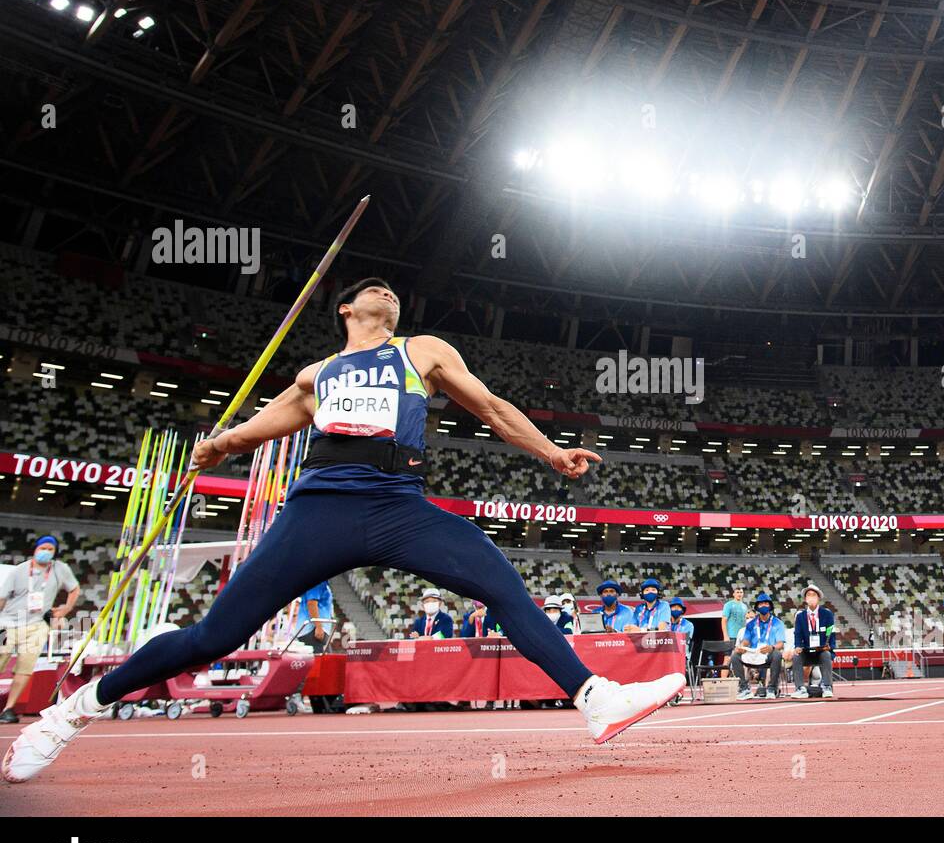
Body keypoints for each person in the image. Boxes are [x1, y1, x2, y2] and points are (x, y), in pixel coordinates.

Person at [5, 277, 683, 782]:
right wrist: (219, 446)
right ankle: (71, 711)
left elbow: (494, 407)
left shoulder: (422, 351)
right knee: (213, 635)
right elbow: (266, 421)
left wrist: (551, 452)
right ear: (347, 310)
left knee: (503, 587)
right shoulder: (318, 374)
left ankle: (595, 698)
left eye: (392, 291)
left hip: (399, 504)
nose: (387, 291)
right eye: (372, 289)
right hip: (320, 509)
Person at [0, 536, 80, 724]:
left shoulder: (60, 569)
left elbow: (74, 589)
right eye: (43, 547)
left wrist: (66, 609)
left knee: (25, 667)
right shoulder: (19, 571)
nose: (46, 551)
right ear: (35, 549)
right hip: (9, 622)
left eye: (50, 549)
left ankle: (8, 708)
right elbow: (2, 598)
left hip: (37, 625)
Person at [730, 592, 785, 700]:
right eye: (761, 604)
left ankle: (771, 688)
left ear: (770, 606)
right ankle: (744, 688)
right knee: (735, 656)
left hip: (768, 653)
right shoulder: (751, 624)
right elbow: (746, 640)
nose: (764, 606)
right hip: (754, 653)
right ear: (757, 607)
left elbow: (780, 643)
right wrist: (742, 647)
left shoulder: (777, 623)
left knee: (777, 654)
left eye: (766, 603)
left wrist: (772, 647)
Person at [790, 584, 835, 699]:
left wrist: (830, 647)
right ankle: (800, 688)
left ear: (818, 597)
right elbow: (798, 634)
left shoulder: (827, 614)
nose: (811, 597)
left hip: (821, 651)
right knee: (796, 657)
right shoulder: (800, 616)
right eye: (808, 595)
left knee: (826, 655)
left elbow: (831, 633)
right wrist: (798, 646)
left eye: (813, 595)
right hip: (807, 651)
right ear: (805, 599)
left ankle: (827, 686)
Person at [719, 584, 749, 678]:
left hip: (741, 637)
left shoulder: (744, 606)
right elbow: (724, 620)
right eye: (737, 592)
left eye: (741, 592)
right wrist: (725, 635)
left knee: (742, 659)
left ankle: (742, 683)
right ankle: (722, 682)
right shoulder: (728, 605)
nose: (739, 594)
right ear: (733, 594)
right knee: (727, 659)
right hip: (731, 635)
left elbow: (745, 621)